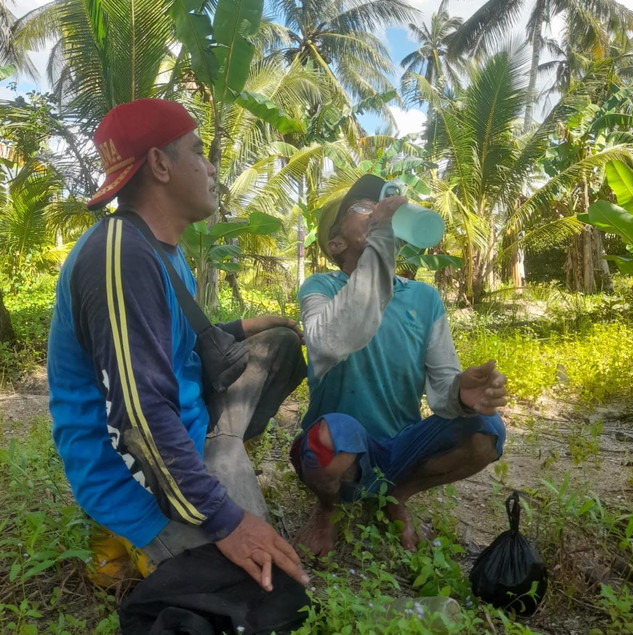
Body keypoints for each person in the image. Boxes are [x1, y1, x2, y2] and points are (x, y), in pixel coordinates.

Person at [47, 99, 309, 619]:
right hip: (129, 471)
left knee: (279, 347)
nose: (211, 167)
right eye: (197, 152)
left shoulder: (159, 246)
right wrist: (224, 519)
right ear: (160, 166)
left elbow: (173, 346)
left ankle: (217, 451)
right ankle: (134, 533)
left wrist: (248, 326)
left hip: (183, 427)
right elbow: (139, 417)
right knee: (274, 597)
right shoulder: (119, 256)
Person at [291, 174, 508, 557]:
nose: (378, 210)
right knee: (329, 441)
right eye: (363, 207)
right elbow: (330, 341)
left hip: (400, 447)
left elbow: (442, 392)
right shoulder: (321, 288)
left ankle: (396, 495)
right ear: (336, 242)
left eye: (382, 203)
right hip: (344, 444)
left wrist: (459, 391)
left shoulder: (424, 298)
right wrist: (380, 237)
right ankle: (328, 509)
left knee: (485, 431)